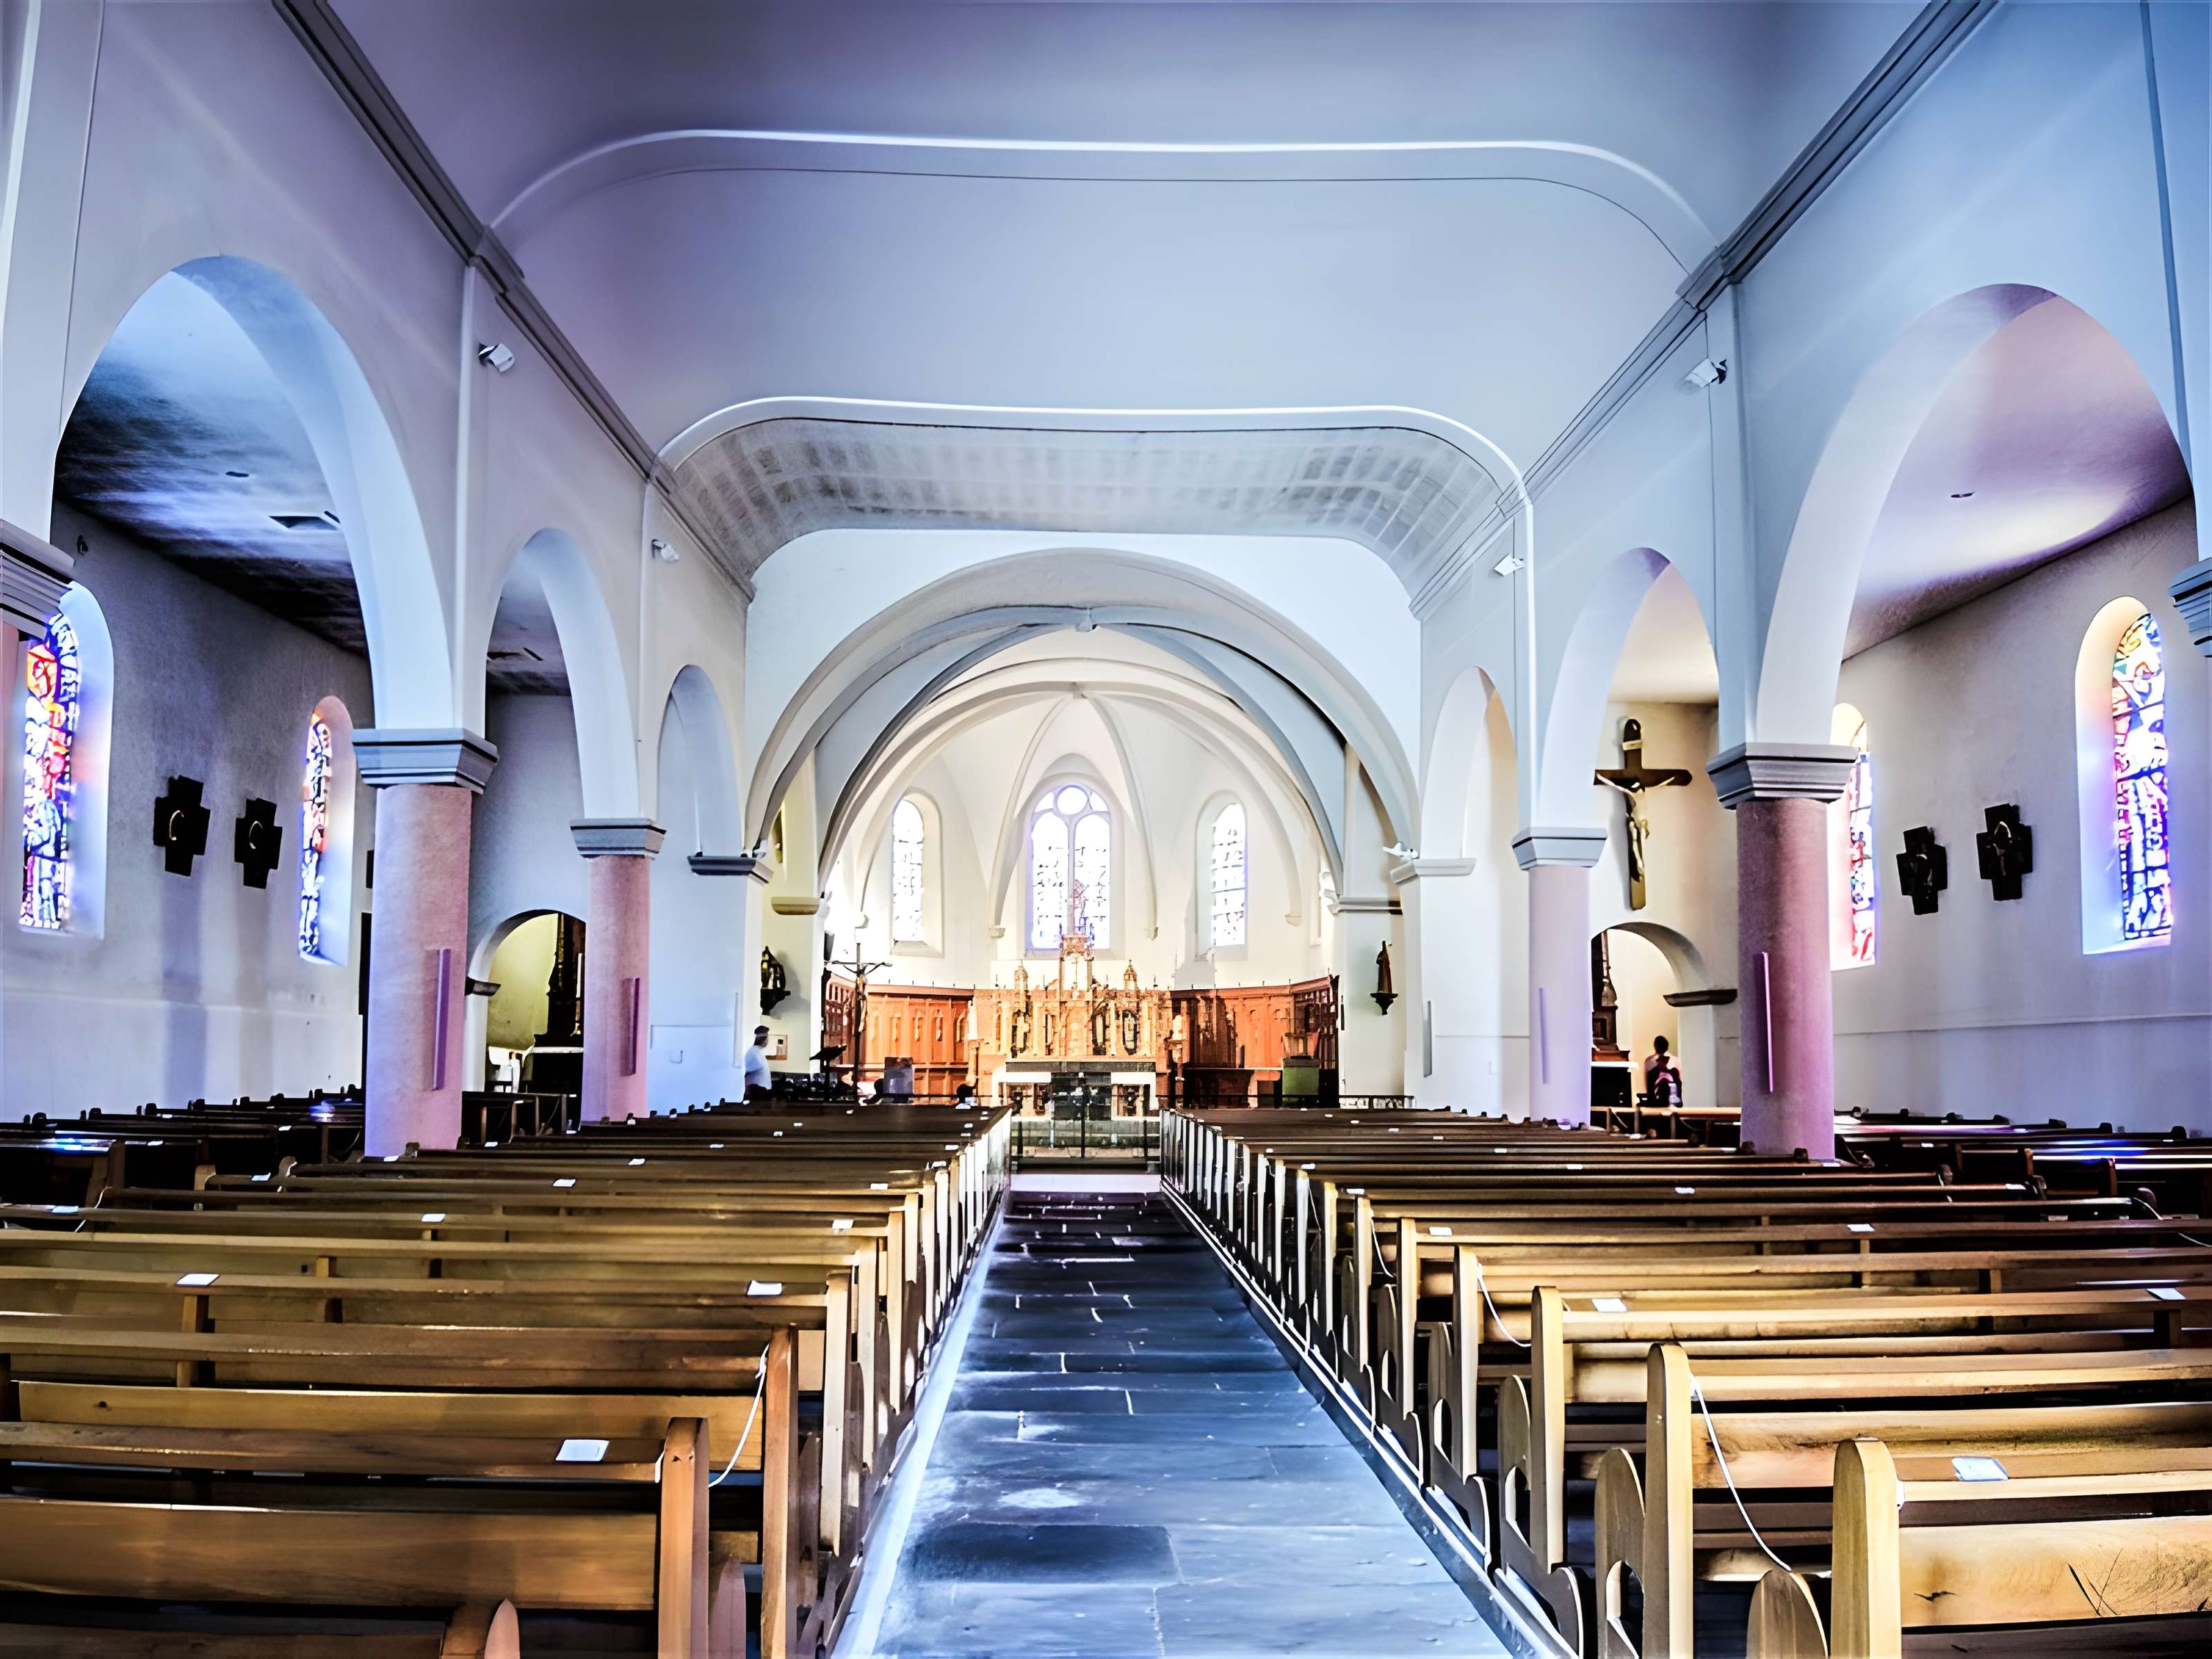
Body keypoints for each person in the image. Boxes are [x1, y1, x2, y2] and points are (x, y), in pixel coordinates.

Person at [1642, 1035, 1683, 1108]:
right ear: (1667, 1047)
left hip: (1656, 1102)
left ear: (1655, 1047)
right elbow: (1679, 1085)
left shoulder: (1649, 1061)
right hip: (1674, 1101)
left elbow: (1648, 1088)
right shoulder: (1676, 1061)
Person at [742, 1025, 774, 1102]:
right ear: (764, 1039)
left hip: (761, 1091)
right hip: (757, 1092)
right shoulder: (754, 1053)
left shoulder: (757, 1052)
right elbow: (747, 1072)